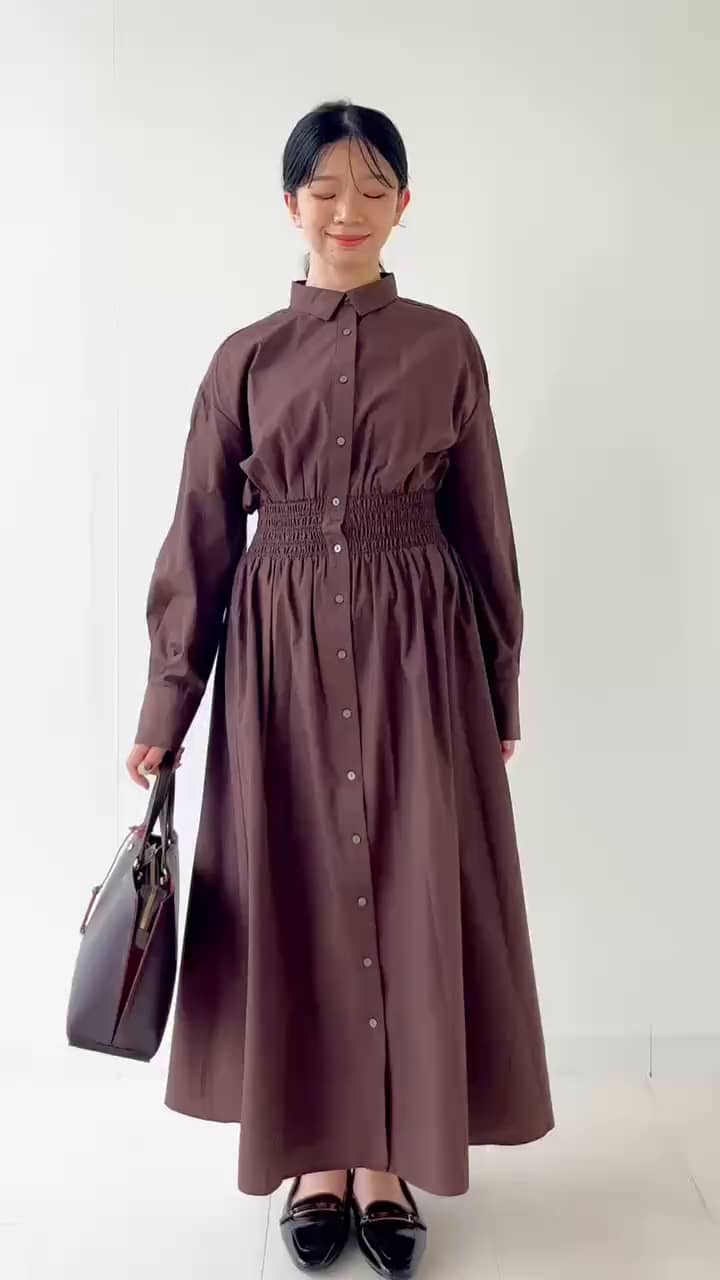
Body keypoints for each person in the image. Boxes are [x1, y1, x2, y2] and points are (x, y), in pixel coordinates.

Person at [127, 99, 555, 1278]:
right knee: (299, 893)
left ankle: (386, 1160)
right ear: (290, 205)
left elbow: (486, 530)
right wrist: (167, 706)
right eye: (325, 190)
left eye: (373, 189)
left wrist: (499, 687)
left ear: (405, 204)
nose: (348, 212)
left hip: (421, 663)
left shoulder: (448, 346)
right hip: (277, 670)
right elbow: (199, 536)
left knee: (410, 898)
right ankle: (315, 1158)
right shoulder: (244, 358)